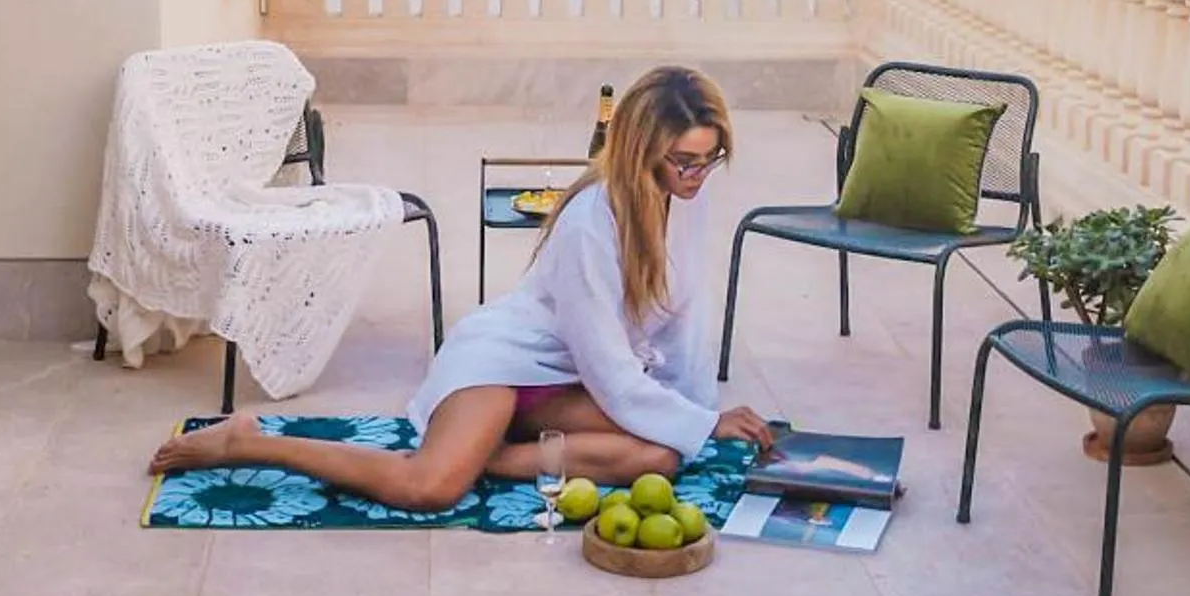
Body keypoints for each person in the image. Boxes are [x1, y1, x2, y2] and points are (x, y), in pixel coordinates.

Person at [146, 65, 777, 509]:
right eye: (684, 161)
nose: (697, 175)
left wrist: (698, 417)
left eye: (709, 159)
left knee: (660, 459)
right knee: (431, 488)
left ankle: (491, 458)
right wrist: (703, 422)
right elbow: (610, 370)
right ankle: (252, 444)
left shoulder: (685, 198)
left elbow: (684, 321)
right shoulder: (592, 222)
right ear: (642, 150)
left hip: (566, 382)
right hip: (506, 367)